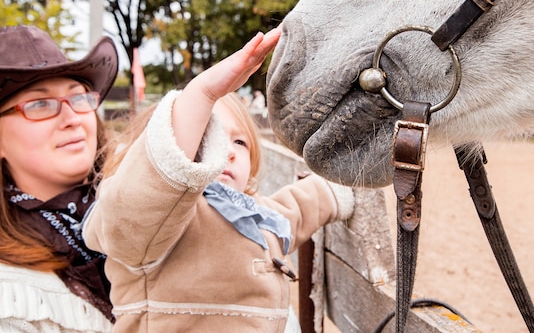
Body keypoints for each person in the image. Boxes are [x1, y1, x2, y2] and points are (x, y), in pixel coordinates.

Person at [82, 28, 355, 333]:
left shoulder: (257, 215)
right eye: (208, 141)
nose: (230, 152)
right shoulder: (153, 225)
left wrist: (339, 186)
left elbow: (296, 208)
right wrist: (202, 95)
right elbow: (140, 200)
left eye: (240, 142)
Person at [0, 25, 118, 332]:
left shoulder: (152, 207)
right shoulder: (9, 292)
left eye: (78, 98)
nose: (71, 119)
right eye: (40, 104)